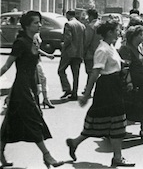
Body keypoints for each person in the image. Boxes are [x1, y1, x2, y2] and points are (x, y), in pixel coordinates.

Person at [66, 20, 135, 167]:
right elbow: (95, 72)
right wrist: (86, 94)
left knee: (104, 120)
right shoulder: (102, 50)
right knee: (114, 120)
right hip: (107, 89)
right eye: (117, 30)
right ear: (109, 32)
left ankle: (75, 142)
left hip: (114, 86)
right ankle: (117, 157)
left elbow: (115, 63)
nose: (119, 33)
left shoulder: (110, 47)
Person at [0, 11, 64, 168]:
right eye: (36, 22)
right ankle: (47, 156)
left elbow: (34, 55)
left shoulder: (33, 40)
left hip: (31, 84)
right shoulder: (20, 42)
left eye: (40, 22)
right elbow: (7, 65)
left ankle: (0, 153)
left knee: (11, 122)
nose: (40, 25)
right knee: (33, 119)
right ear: (27, 25)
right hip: (22, 87)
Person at [118, 25, 143, 141]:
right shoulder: (126, 48)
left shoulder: (140, 47)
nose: (142, 37)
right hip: (132, 82)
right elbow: (125, 68)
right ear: (133, 36)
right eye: (140, 35)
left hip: (142, 81)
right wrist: (129, 82)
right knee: (130, 106)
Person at [58, 10, 86, 100]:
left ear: (68, 15)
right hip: (78, 53)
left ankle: (67, 88)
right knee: (76, 74)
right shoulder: (82, 26)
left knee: (61, 70)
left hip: (69, 52)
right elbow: (84, 40)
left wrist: (63, 46)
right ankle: (74, 93)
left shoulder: (68, 24)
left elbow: (68, 38)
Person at [82, 9, 100, 93]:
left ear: (91, 16)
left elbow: (87, 41)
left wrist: (83, 51)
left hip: (90, 53)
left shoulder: (91, 26)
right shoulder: (101, 24)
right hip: (100, 52)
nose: (87, 18)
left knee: (90, 72)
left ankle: (88, 90)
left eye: (88, 16)